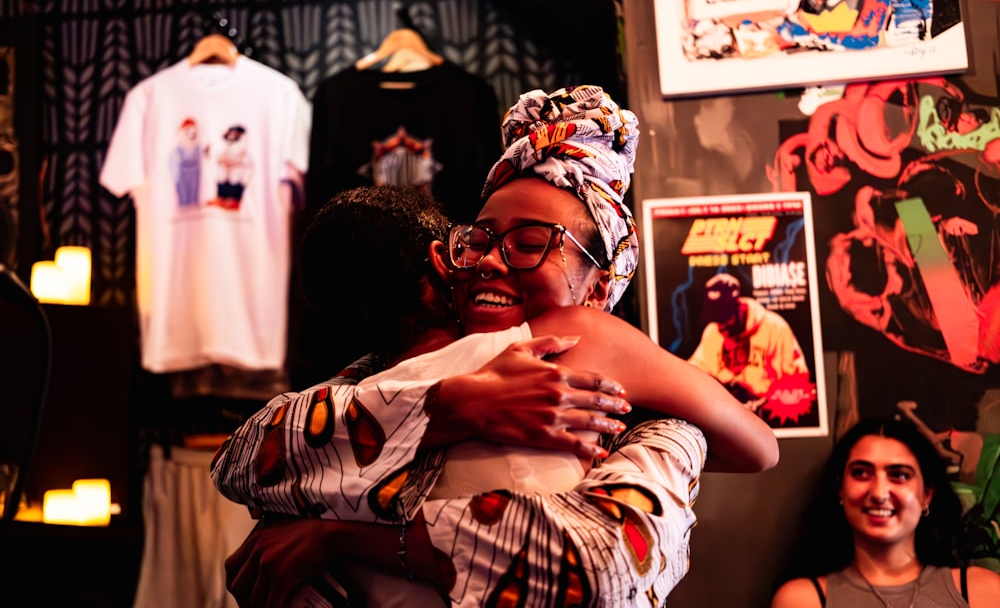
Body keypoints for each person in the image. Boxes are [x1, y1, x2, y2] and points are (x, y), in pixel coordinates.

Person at [214, 85, 778, 606]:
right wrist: (455, 404)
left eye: (530, 244)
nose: (489, 260)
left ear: (600, 288)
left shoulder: (596, 347)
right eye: (480, 240)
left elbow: (602, 561)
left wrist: (649, 418)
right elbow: (240, 458)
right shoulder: (385, 375)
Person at [770, 417, 1000, 608]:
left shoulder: (983, 591)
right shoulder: (803, 599)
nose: (879, 493)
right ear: (841, 489)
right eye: (861, 473)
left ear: (926, 496)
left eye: (899, 475)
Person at [687, 272, 812, 420]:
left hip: (766, 422)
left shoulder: (775, 328)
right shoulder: (713, 331)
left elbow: (799, 385)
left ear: (738, 307)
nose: (721, 326)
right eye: (716, 319)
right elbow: (692, 374)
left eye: (724, 318)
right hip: (725, 421)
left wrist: (761, 401)